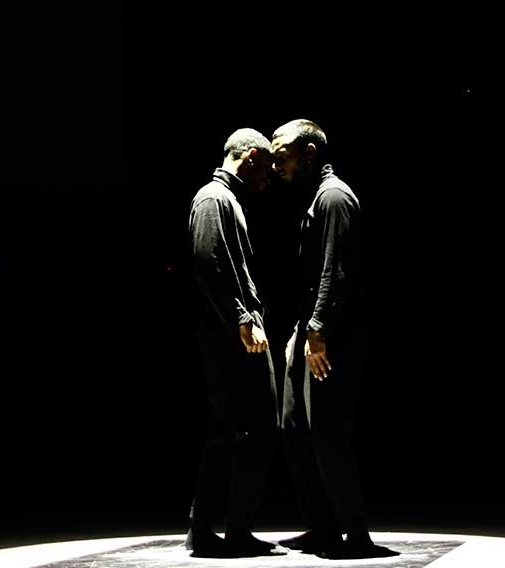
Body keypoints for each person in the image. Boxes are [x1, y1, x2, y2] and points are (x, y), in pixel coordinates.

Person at [271, 119, 396, 559]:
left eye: (282, 154)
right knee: (293, 427)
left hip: (332, 334)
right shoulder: (316, 198)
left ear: (309, 152)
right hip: (309, 329)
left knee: (327, 433)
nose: (276, 163)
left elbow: (335, 270)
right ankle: (323, 527)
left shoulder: (335, 197)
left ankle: (356, 534)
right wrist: (300, 331)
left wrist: (318, 330)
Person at [185, 128, 286, 558]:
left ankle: (208, 530)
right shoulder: (213, 198)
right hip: (230, 334)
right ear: (250, 157)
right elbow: (208, 261)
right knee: (252, 428)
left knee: (230, 431)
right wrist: (242, 319)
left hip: (230, 330)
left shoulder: (224, 198)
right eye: (266, 169)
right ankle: (229, 530)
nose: (269, 177)